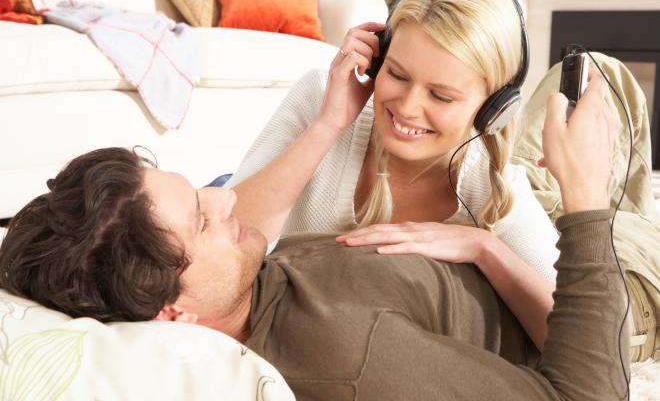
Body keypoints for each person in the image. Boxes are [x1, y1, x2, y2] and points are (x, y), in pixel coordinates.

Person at [0, 62, 627, 400]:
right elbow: (593, 393)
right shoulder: (353, 362)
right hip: (600, 294)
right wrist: (584, 198)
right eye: (202, 219)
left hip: (507, 234)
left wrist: (330, 119)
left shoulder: (234, 285)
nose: (225, 200)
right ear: (170, 314)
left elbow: (243, 216)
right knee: (604, 83)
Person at [224, 0, 560, 352]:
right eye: (397, 74)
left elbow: (575, 341)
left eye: (441, 96)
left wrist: (485, 247)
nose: (407, 108)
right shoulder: (323, 96)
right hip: (238, 186)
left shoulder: (493, 184)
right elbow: (222, 253)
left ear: (493, 109)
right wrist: (328, 124)